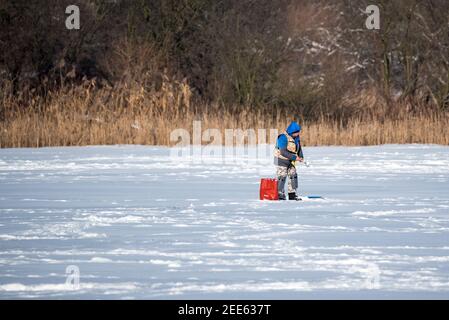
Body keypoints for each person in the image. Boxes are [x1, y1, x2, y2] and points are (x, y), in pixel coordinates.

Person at [273, 121, 304, 200]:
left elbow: (299, 148)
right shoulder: (282, 137)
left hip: (290, 160)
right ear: (292, 132)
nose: (298, 134)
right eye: (296, 132)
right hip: (280, 159)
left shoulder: (296, 138)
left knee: (293, 175)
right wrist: (295, 158)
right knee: (281, 177)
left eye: (298, 132)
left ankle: (292, 194)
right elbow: (283, 152)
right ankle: (279, 194)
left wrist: (300, 156)